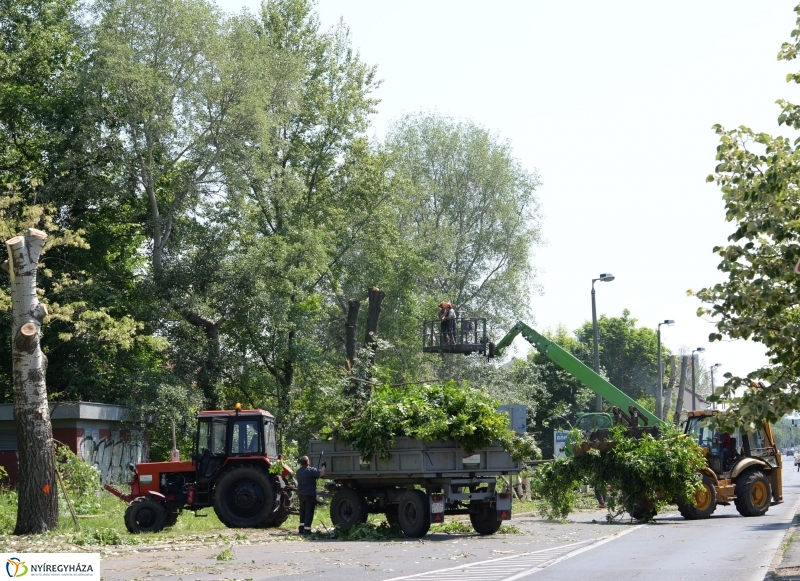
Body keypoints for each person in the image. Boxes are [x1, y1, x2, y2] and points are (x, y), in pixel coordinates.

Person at [296, 455, 325, 534]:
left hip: (301, 494)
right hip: (309, 494)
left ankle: (301, 528)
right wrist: (323, 466)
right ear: (308, 462)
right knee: (309, 512)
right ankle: (307, 529)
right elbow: (322, 474)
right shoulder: (311, 470)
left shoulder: (298, 472)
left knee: (303, 511)